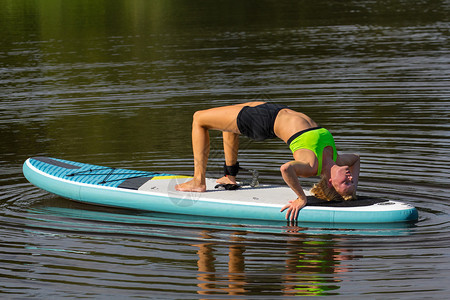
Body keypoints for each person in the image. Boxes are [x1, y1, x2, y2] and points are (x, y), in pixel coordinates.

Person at [175, 102, 360, 221]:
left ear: (330, 182)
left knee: (199, 118)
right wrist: (353, 189)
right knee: (228, 125)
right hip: (274, 109)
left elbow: (286, 168)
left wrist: (301, 198)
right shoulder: (337, 160)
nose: (350, 177)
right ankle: (229, 176)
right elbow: (357, 159)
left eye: (346, 182)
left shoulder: (312, 166)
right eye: (352, 181)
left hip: (264, 121)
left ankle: (198, 181)